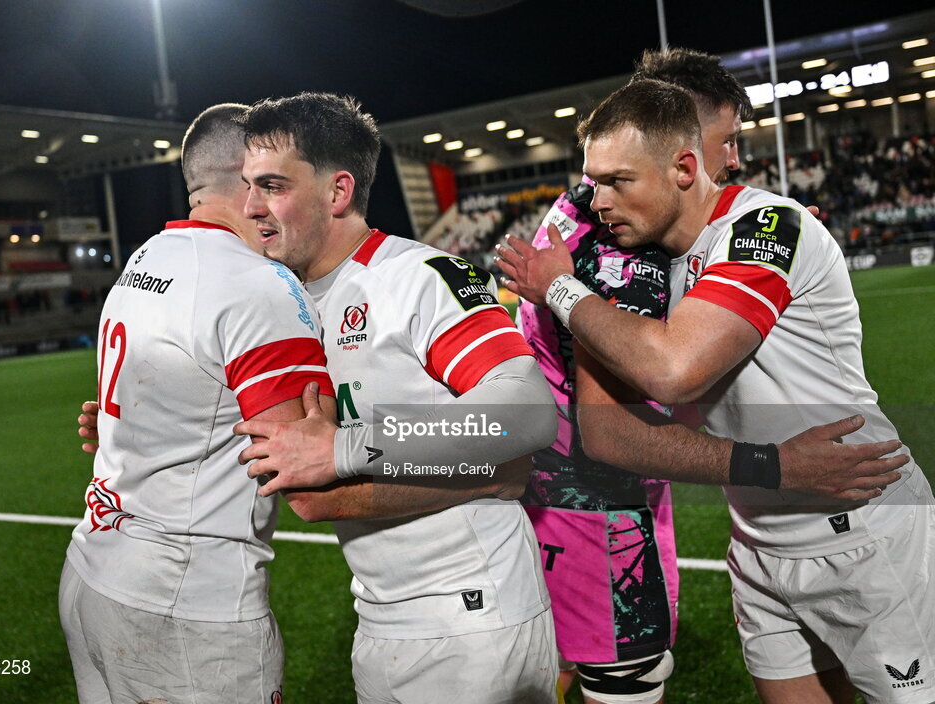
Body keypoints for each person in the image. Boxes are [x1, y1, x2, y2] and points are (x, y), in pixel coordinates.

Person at [497, 79, 933, 704]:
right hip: (758, 539)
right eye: (593, 181)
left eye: (618, 181)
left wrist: (565, 292)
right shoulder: (640, 260)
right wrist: (773, 466)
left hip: (859, 523)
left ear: (681, 168)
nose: (597, 201)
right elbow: (611, 433)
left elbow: (675, 371)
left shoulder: (767, 225)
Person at [231, 92, 560, 703]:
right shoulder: (284, 304)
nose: (251, 208)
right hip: (380, 615)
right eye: (248, 187)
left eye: (272, 186)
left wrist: (346, 448)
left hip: (472, 615)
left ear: (337, 192)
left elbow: (528, 409)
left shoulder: (419, 276)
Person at [60, 103, 337, 704]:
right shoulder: (254, 282)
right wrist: (467, 468)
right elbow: (311, 483)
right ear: (253, 176)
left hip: (94, 567)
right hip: (186, 601)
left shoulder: (144, 260)